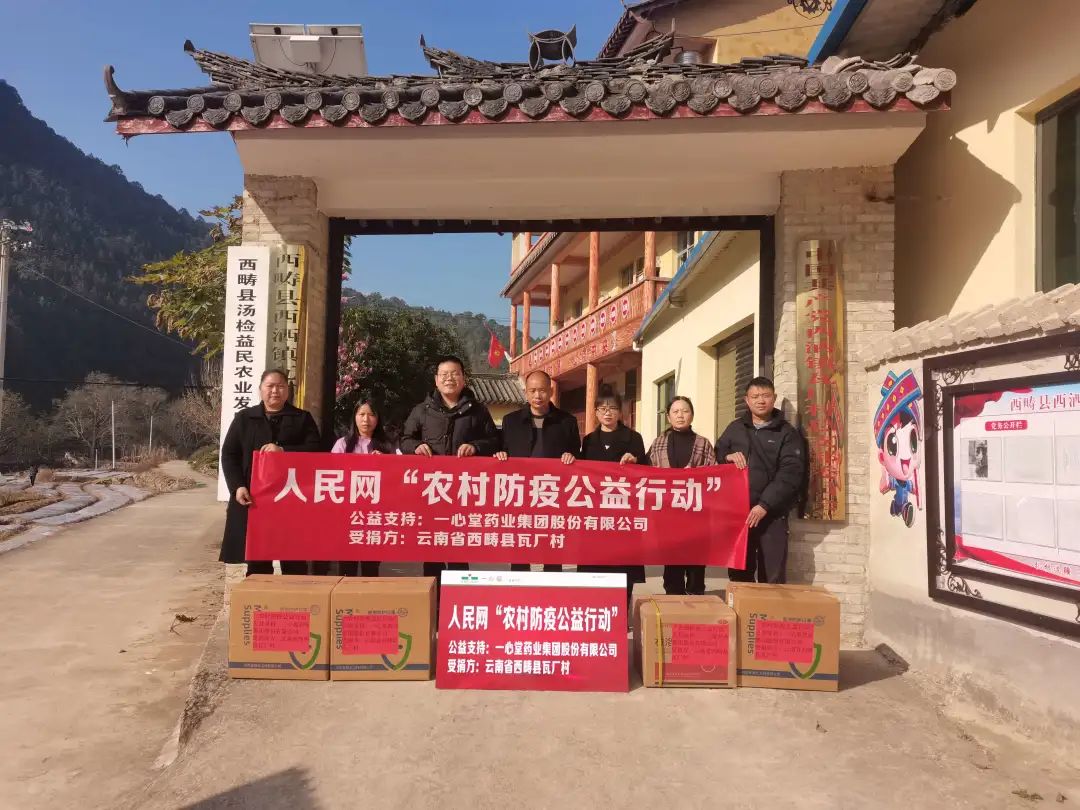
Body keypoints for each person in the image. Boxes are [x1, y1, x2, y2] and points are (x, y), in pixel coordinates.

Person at [401, 355, 500, 579]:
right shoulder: (421, 410)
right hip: (432, 490)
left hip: (463, 491)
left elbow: (494, 441)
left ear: (463, 379)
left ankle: (459, 592)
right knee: (432, 549)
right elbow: (404, 439)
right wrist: (416, 446)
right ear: (436, 380)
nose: (449, 379)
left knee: (458, 548)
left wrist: (475, 446)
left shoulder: (478, 411)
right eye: (444, 374)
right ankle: (433, 593)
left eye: (455, 374)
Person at [219, 369, 322, 576]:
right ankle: (260, 595)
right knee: (257, 558)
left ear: (287, 391)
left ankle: (294, 596)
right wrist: (237, 486)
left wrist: (284, 451)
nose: (275, 391)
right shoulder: (244, 418)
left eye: (281, 386)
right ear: (260, 389)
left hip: (291, 499)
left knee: (294, 560)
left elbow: (316, 450)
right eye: (270, 386)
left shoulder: (302, 418)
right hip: (255, 499)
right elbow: (229, 454)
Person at [715, 376, 806, 584]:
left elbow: (790, 473)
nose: (761, 400)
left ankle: (768, 607)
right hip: (740, 514)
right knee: (739, 574)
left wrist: (764, 505)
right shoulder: (735, 428)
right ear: (746, 400)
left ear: (774, 398)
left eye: (765, 396)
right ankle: (742, 605)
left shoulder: (787, 433)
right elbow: (717, 452)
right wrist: (727, 456)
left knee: (772, 576)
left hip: (772, 514)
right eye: (755, 396)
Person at [496, 370, 579, 572]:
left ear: (551, 391)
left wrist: (571, 456)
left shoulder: (567, 421)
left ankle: (551, 584)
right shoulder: (511, 421)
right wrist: (500, 454)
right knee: (520, 544)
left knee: (551, 544)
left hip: (553, 493)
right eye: (532, 391)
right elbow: (501, 449)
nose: (537, 395)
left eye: (542, 390)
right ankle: (519, 585)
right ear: (525, 392)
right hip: (520, 493)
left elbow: (577, 453)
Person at [578, 386, 648, 607]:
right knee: (594, 569)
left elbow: (647, 472)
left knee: (623, 569)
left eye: (613, 408)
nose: (607, 413)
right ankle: (595, 611)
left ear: (620, 412)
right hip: (596, 515)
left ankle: (621, 613)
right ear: (596, 412)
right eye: (602, 408)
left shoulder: (634, 438)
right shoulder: (589, 440)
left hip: (623, 514)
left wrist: (636, 462)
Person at [315, 397, 399, 578]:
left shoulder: (388, 445)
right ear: (354, 417)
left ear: (378, 418)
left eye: (371, 415)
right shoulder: (342, 444)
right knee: (347, 563)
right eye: (361, 414)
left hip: (374, 513)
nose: (366, 419)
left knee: (371, 565)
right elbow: (332, 474)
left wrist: (386, 463)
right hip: (347, 512)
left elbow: (397, 478)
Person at [649, 395, 716, 596]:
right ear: (668, 417)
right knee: (672, 568)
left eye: (685, 411)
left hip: (696, 515)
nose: (680, 415)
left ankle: (695, 602)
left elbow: (714, 476)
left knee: (696, 567)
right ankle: (673, 603)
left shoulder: (703, 443)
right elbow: (646, 473)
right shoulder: (658, 443)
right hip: (668, 515)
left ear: (692, 415)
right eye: (675, 411)